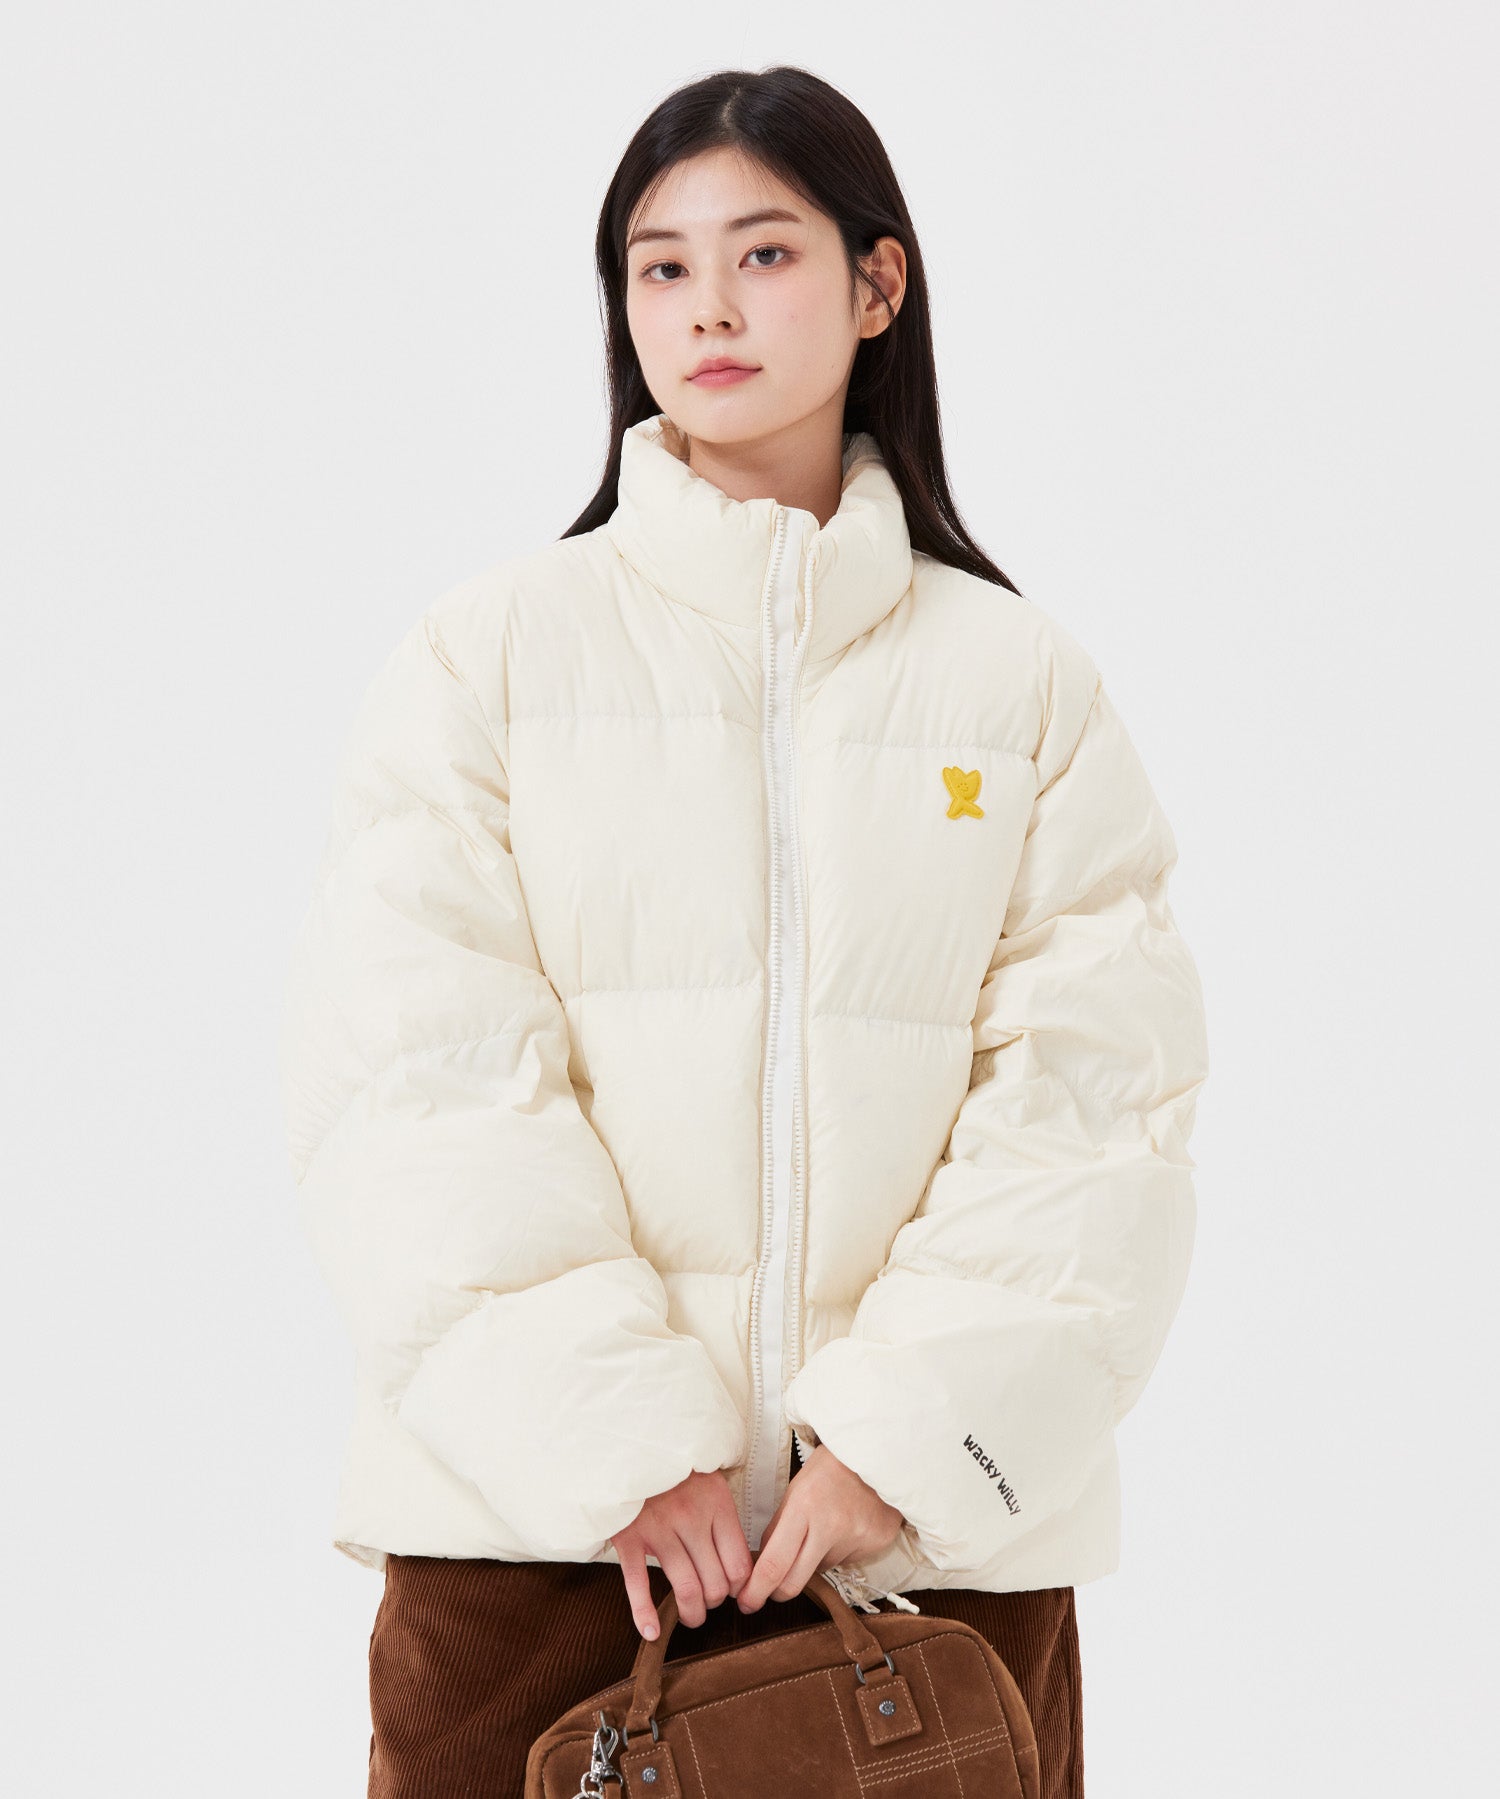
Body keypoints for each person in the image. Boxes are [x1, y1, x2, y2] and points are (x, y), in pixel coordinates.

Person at [279, 64, 1209, 1799]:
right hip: (544, 1551)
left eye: (765, 254)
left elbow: (1098, 1106)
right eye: (661, 265)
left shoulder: (1019, 686)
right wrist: (621, 1440)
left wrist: (901, 1450)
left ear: (878, 285)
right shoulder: (489, 659)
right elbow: (415, 1083)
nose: (707, 306)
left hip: (917, 1568)